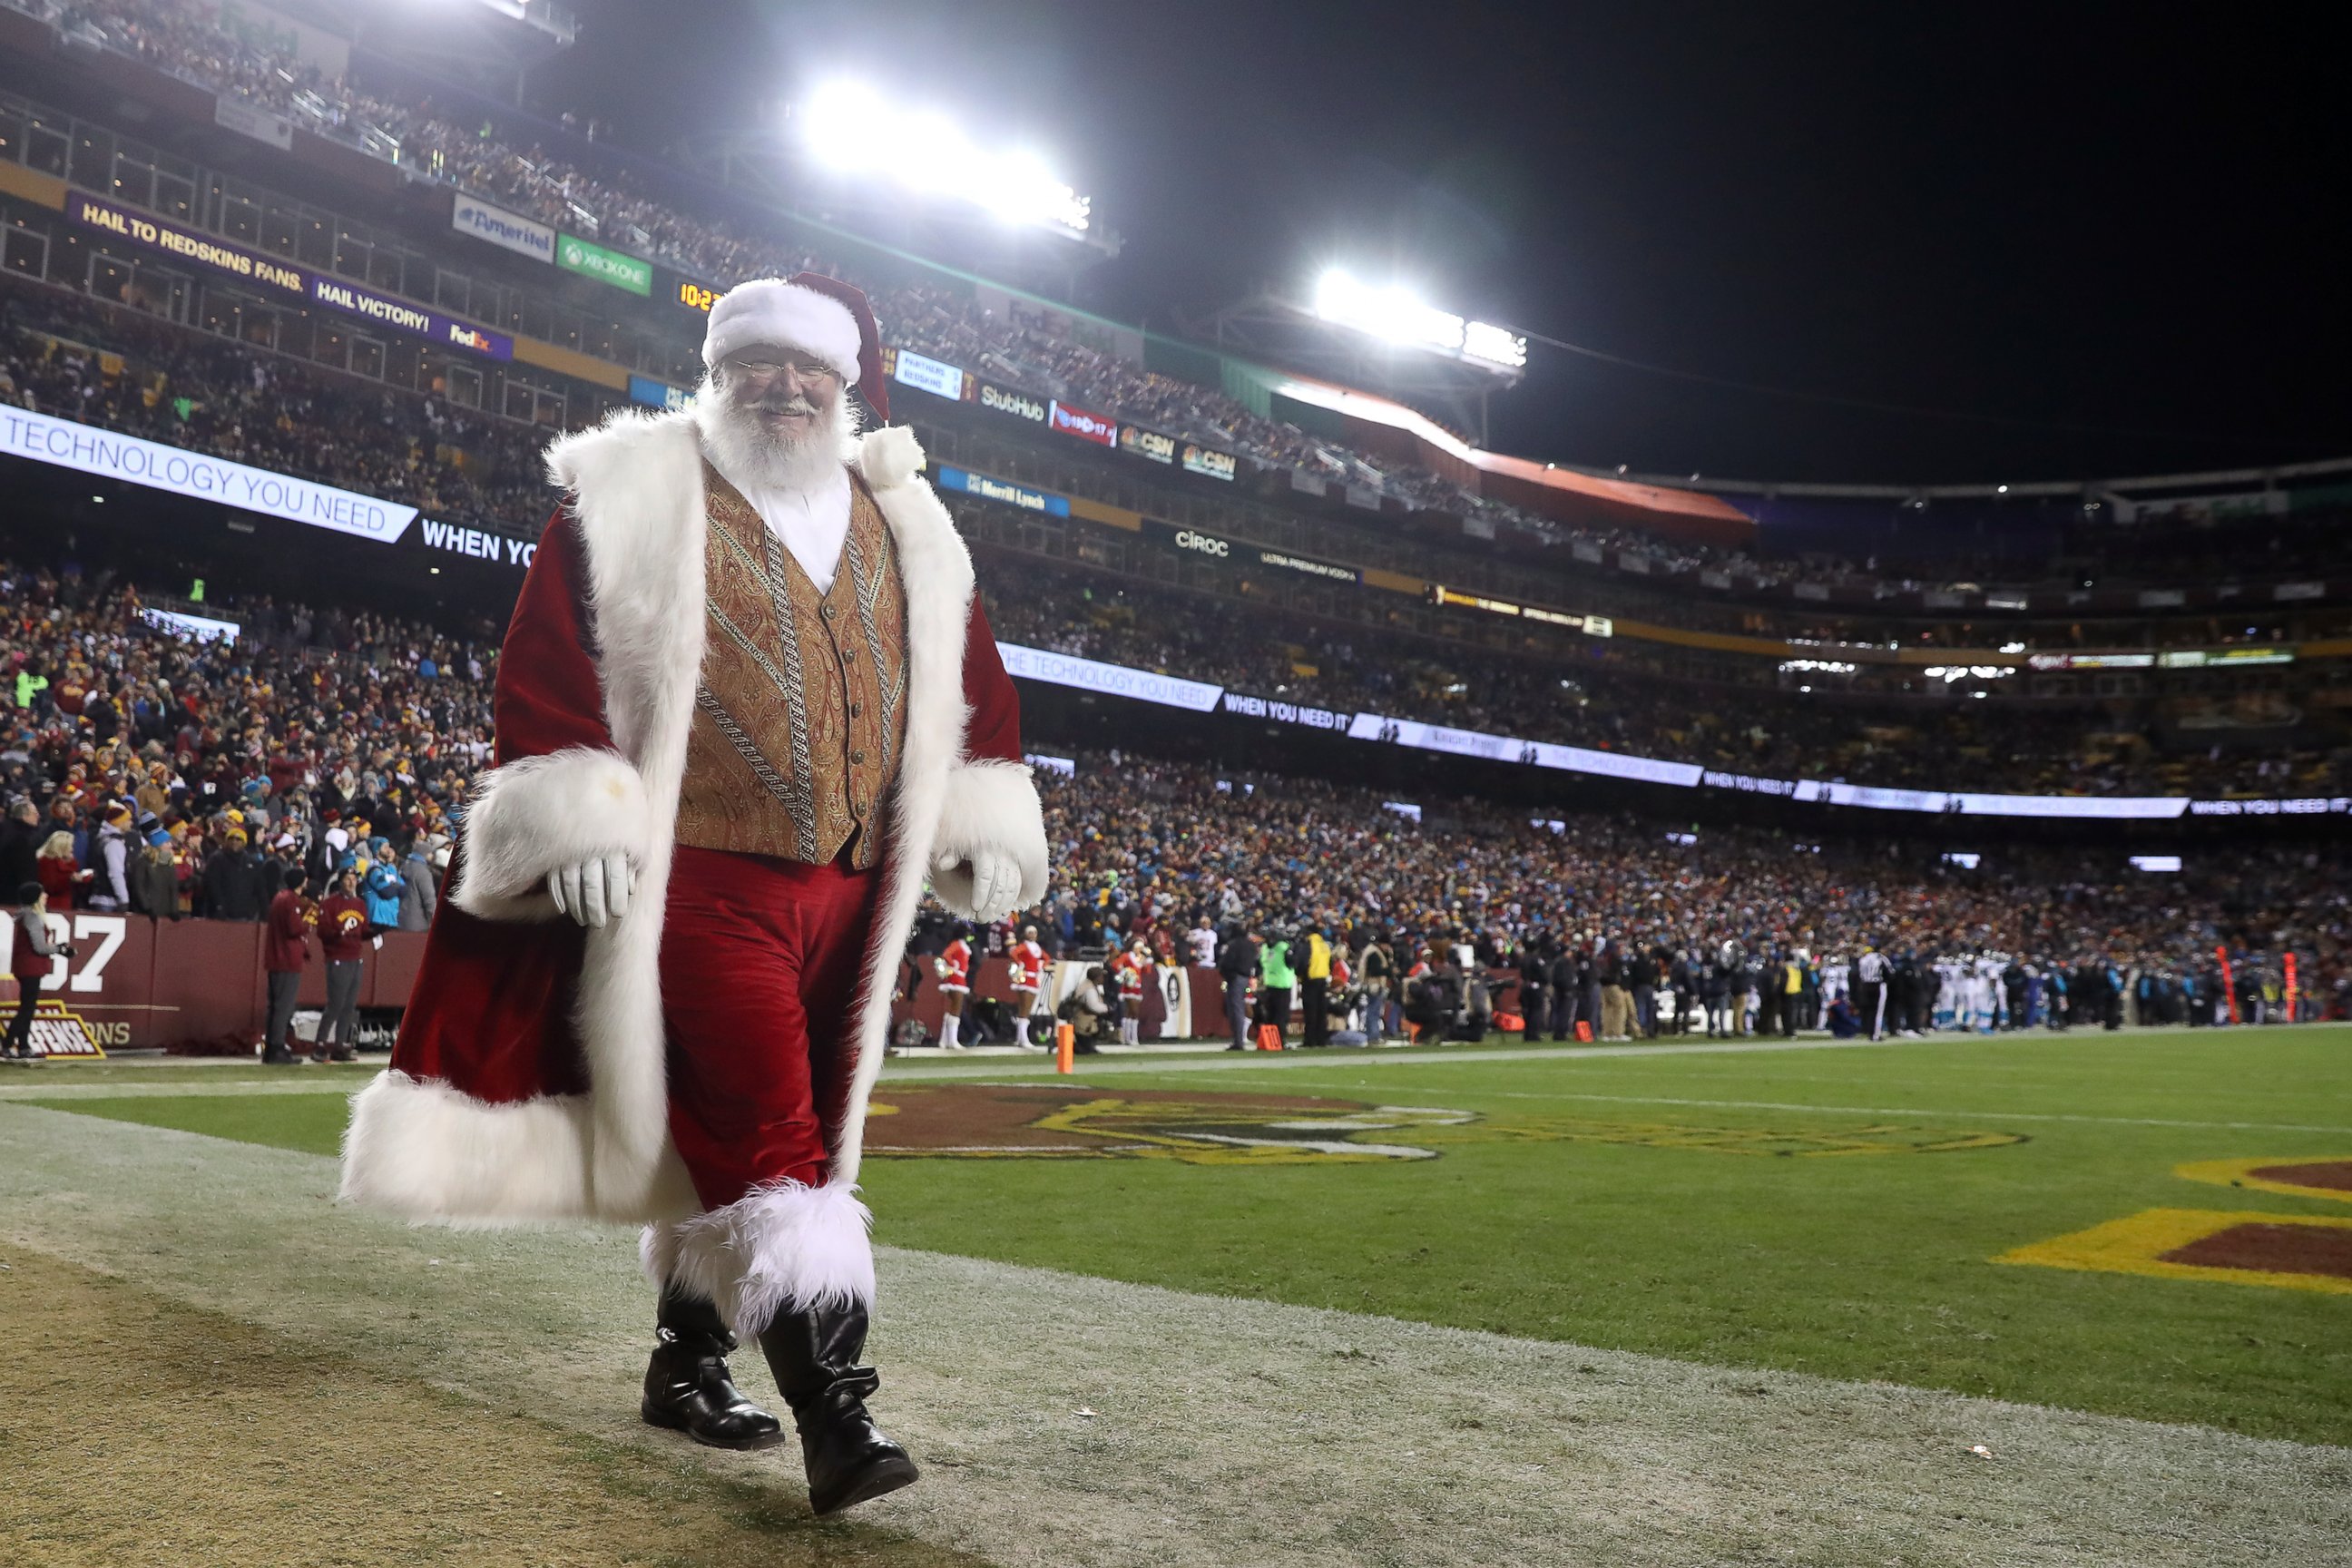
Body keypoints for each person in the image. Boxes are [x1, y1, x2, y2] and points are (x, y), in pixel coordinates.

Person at [340, 274, 1046, 1517]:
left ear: (848, 383)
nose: (784, 384)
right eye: (757, 361)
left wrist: (977, 813)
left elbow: (969, 681)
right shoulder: (633, 490)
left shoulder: (910, 520)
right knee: (772, 1133)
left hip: (852, 890)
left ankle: (687, 1362)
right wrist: (581, 806)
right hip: (699, 879)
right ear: (718, 370)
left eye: (807, 367)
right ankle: (840, 1414)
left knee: (781, 1129)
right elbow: (549, 660)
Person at [6, 880, 73, 1063]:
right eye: (42, 893)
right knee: (27, 1008)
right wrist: (60, 949)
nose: (45, 896)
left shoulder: (25, 916)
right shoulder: (33, 917)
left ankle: (23, 1046)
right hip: (30, 966)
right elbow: (40, 947)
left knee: (27, 1007)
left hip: (25, 965)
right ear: (35, 897)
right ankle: (8, 1043)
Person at [315, 867, 370, 1063]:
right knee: (335, 1004)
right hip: (337, 957)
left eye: (354, 879)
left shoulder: (360, 904)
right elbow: (322, 931)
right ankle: (320, 1044)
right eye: (348, 879)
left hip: (356, 957)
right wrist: (339, 933)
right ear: (341, 881)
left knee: (349, 1005)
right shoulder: (330, 904)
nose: (351, 882)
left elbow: (363, 930)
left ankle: (339, 1045)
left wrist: (376, 932)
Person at [260, 867, 313, 1066]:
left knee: (275, 1007)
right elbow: (294, 928)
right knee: (283, 1007)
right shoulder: (290, 900)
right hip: (287, 959)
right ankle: (277, 1047)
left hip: (277, 958)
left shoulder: (279, 896)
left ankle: (272, 1048)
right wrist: (307, 922)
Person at [1007, 924, 1049, 1047]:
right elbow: (1014, 953)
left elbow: (1046, 958)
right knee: (1024, 1009)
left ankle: (1021, 1037)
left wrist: (1042, 966)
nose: (1032, 935)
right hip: (1025, 979)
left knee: (1027, 1009)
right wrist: (1020, 963)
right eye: (1030, 932)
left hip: (1033, 979)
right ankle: (1023, 1039)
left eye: (1034, 932)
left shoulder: (1037, 947)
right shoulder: (1024, 946)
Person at [1218, 924, 1259, 1050]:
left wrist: (1225, 972)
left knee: (1236, 1009)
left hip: (1235, 977)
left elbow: (1227, 962)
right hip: (1245, 977)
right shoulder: (1251, 945)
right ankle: (1238, 1040)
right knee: (1239, 1008)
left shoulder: (1235, 945)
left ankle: (1238, 1041)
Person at [934, 924, 973, 1049]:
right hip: (956, 978)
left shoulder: (959, 944)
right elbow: (946, 955)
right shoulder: (957, 944)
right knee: (956, 1009)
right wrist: (953, 964)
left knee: (953, 1009)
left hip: (959, 977)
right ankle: (952, 1040)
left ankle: (945, 1040)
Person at [1111, 935, 1150, 1046]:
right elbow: (1115, 964)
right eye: (1139, 947)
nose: (1140, 950)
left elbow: (1147, 971)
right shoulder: (1127, 956)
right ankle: (1129, 1037)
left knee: (1131, 1013)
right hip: (1129, 987)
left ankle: (1130, 1037)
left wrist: (1147, 961)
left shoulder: (1142, 958)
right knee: (1132, 1011)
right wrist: (1125, 972)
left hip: (1137, 986)